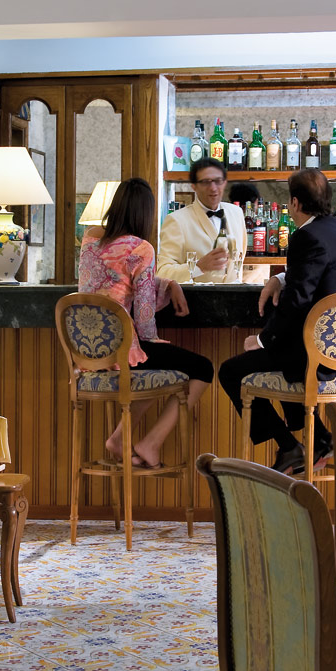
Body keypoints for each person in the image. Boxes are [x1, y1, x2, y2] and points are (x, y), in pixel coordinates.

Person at [217, 169, 336, 474]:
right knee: (283, 359)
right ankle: (320, 439)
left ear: (295, 203)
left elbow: (297, 301)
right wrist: (281, 278)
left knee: (231, 372)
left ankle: (289, 447)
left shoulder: (306, 237)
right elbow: (319, 273)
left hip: (314, 360)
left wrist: (262, 340)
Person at [80, 177, 214, 468]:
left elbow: (112, 281)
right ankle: (150, 443)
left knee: (156, 365)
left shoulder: (89, 239)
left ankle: (120, 439)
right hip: (120, 351)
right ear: (146, 213)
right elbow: (143, 316)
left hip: (88, 354)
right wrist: (152, 339)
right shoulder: (141, 249)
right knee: (202, 368)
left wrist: (167, 283)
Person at [156, 157, 246, 284]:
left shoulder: (236, 213)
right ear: (194, 186)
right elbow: (162, 272)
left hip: (235, 295)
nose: (213, 188)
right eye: (205, 182)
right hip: (197, 296)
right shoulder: (177, 220)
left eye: (218, 181)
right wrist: (198, 267)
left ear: (225, 183)